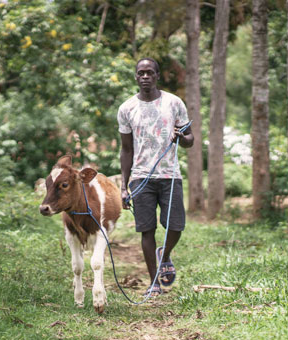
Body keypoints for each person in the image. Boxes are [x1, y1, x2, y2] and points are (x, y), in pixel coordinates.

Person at [118, 58, 194, 297]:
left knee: (176, 226)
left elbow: (190, 140)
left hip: (170, 175)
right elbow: (126, 149)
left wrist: (180, 137)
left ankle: (166, 254)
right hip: (141, 178)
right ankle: (154, 283)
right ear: (136, 77)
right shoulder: (126, 108)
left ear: (158, 75)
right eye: (141, 73)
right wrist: (123, 186)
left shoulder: (174, 103)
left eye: (149, 72)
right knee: (146, 230)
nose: (145, 77)